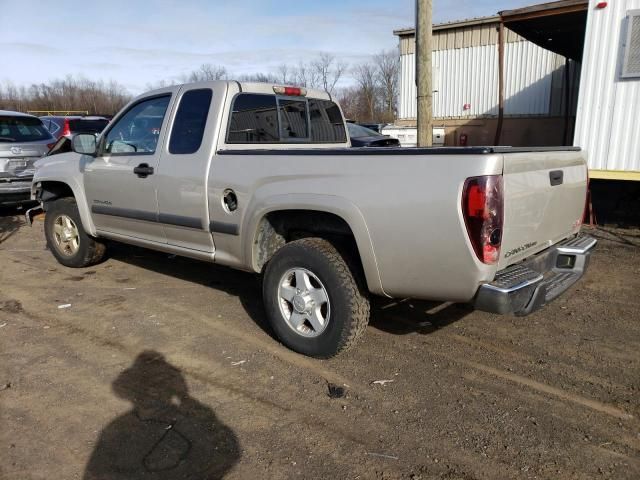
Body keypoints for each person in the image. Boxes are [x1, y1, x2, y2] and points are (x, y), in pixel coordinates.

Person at [84, 351, 240, 479]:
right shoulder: (120, 429)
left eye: (160, 383)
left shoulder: (119, 427)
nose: (154, 392)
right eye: (151, 385)